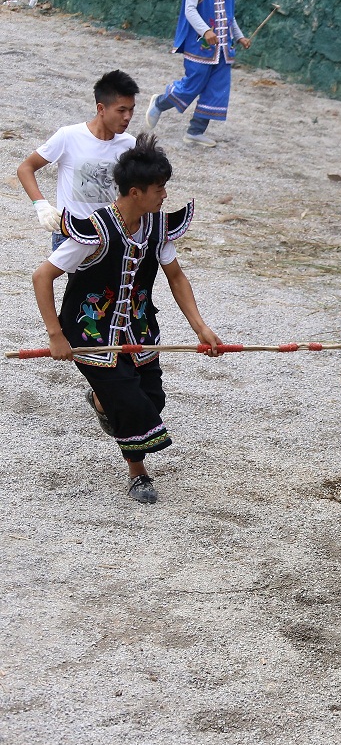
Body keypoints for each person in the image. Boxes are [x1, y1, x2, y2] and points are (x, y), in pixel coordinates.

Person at [32, 133, 223, 504]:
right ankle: (138, 474)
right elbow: (42, 277)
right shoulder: (94, 231)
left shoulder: (157, 229)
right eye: (158, 188)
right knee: (131, 404)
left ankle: (102, 401)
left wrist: (200, 327)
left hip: (139, 327)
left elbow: (176, 277)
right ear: (135, 192)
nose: (164, 195)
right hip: (90, 334)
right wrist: (56, 334)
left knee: (152, 398)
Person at [144, 0, 250, 148]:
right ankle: (159, 102)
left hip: (223, 50)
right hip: (200, 46)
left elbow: (229, 15)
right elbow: (190, 10)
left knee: (216, 90)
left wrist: (239, 36)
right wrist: (206, 30)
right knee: (192, 85)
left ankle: (195, 131)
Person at [17, 70, 139, 250]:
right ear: (101, 109)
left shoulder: (130, 145)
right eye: (121, 110)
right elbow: (25, 168)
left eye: (131, 109)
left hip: (108, 235)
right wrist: (41, 206)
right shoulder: (69, 137)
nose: (127, 117)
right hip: (70, 235)